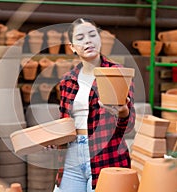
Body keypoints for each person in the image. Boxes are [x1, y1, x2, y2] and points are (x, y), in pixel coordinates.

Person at [52, 18, 136, 192]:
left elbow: (129, 127)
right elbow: (65, 123)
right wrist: (54, 138)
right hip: (72, 157)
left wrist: (123, 113)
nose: (88, 41)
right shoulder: (68, 80)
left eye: (92, 35)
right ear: (72, 47)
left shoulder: (117, 73)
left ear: (100, 39)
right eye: (80, 37)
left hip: (107, 154)